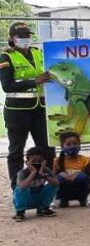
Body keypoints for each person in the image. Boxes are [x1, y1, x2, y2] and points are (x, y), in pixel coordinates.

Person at [1, 22, 50, 185]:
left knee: (47, 148)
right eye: (21, 36)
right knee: (16, 150)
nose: (25, 39)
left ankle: (47, 186)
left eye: (27, 36)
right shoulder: (6, 57)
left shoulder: (38, 53)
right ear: (12, 38)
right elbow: (7, 86)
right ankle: (18, 187)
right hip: (17, 111)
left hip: (40, 108)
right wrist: (35, 81)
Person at [12, 146, 57, 221]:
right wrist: (33, 173)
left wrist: (44, 176)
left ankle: (43, 208)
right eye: (33, 161)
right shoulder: (22, 173)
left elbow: (56, 184)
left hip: (39, 197)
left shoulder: (46, 170)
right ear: (27, 162)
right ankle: (20, 212)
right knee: (19, 189)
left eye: (40, 161)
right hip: (26, 199)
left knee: (52, 185)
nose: (37, 163)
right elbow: (22, 187)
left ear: (44, 162)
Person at [54, 131, 90, 207]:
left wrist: (78, 175)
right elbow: (53, 181)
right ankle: (62, 200)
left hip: (81, 190)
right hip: (64, 191)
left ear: (80, 145)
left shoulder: (86, 160)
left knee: (81, 177)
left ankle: (82, 199)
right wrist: (62, 175)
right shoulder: (57, 161)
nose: (72, 146)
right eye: (68, 144)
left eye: (75, 144)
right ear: (62, 147)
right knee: (59, 178)